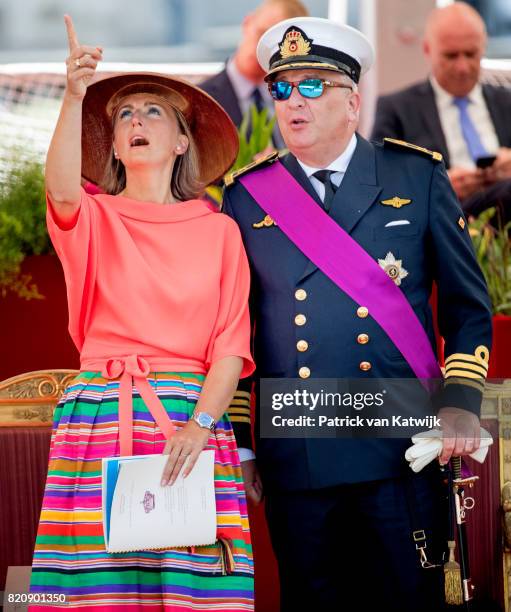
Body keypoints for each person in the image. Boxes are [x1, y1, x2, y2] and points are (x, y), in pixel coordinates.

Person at [222, 15, 493, 612]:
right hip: (298, 448)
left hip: (398, 446)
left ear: (352, 98)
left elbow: (469, 308)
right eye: (282, 89)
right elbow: (234, 333)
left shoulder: (415, 176)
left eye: (313, 85)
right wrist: (241, 445)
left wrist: (458, 405)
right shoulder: (246, 196)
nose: (294, 102)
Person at [29, 15, 255, 612]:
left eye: (153, 111)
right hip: (99, 416)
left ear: (183, 141)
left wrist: (200, 427)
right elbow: (58, 190)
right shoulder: (93, 219)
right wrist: (74, 92)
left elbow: (230, 348)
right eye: (125, 114)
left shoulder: (221, 232)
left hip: (192, 422)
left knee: (197, 594)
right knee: (93, 594)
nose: (136, 121)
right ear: (113, 142)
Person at [371, 2, 511, 221]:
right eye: (451, 56)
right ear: (428, 50)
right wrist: (438, 186)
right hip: (442, 217)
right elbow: (378, 182)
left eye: (471, 54)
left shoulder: (507, 100)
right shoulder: (397, 109)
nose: (463, 67)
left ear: (483, 47)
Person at [200, 0, 308, 149]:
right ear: (247, 23)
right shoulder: (201, 100)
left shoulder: (297, 99)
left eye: (276, 46)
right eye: (261, 34)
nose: (262, 49)